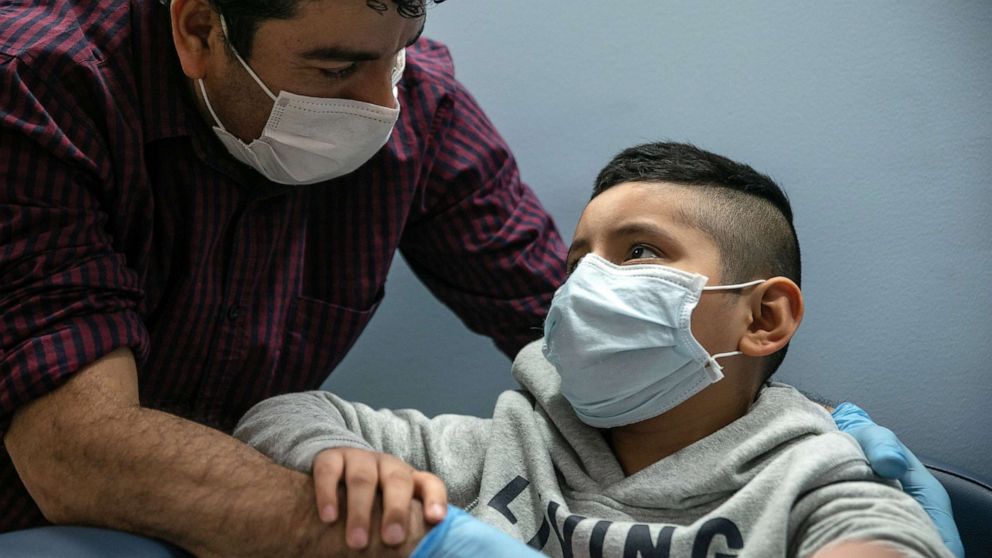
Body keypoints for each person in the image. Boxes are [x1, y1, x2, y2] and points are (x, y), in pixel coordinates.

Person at [0, 0, 959, 555]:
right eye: (338, 68)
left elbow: (563, 319)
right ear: (200, 29)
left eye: (400, 56)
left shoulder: (818, 476)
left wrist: (801, 428)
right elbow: (78, 452)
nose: (386, 107)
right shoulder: (37, 81)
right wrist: (420, 538)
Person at [235, 142, 955, 557]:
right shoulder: (506, 444)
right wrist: (345, 461)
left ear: (763, 317)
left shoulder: (813, 476)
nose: (587, 286)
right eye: (578, 263)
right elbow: (283, 416)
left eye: (640, 252)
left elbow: (882, 541)